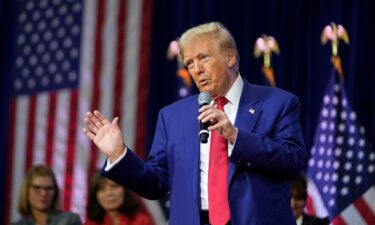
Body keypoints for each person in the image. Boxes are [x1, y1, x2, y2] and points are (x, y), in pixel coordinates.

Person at [83, 21, 306, 225]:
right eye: (189, 63)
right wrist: (119, 156)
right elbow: (156, 183)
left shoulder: (278, 103)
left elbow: (293, 160)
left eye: (204, 58)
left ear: (230, 58)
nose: (196, 69)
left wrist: (235, 137)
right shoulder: (172, 116)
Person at [11, 164, 81, 225]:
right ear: (26, 191)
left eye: (49, 188)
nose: (43, 193)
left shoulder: (70, 221)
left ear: (55, 192)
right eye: (37, 188)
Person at [84, 172, 153, 225]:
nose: (109, 193)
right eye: (102, 189)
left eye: (114, 186)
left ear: (125, 190)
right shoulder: (89, 224)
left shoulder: (142, 221)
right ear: (95, 195)